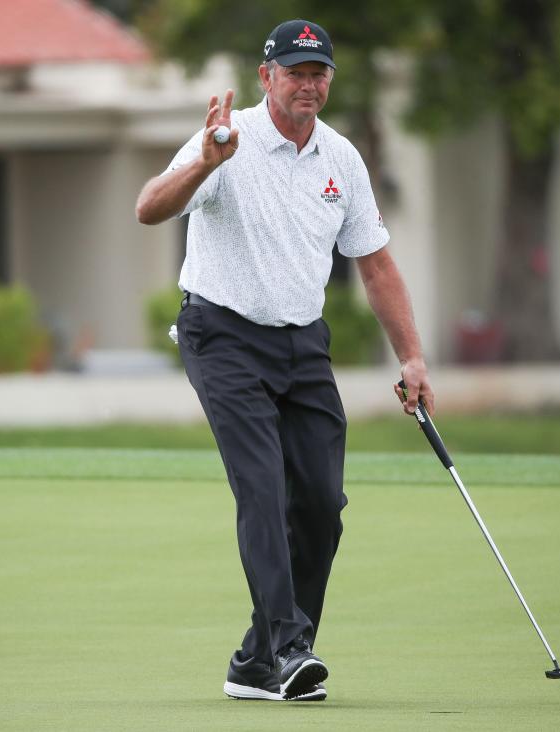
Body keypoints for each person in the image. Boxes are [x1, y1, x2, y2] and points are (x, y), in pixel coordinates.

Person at [136, 18, 435, 702]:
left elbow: (378, 265)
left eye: (319, 72)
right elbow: (149, 208)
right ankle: (292, 648)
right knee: (263, 489)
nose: (309, 83)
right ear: (267, 76)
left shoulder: (342, 159)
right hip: (222, 335)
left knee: (323, 503)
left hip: (303, 344)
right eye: (296, 71)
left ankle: (255, 662)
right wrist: (205, 164)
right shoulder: (225, 138)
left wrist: (412, 358)